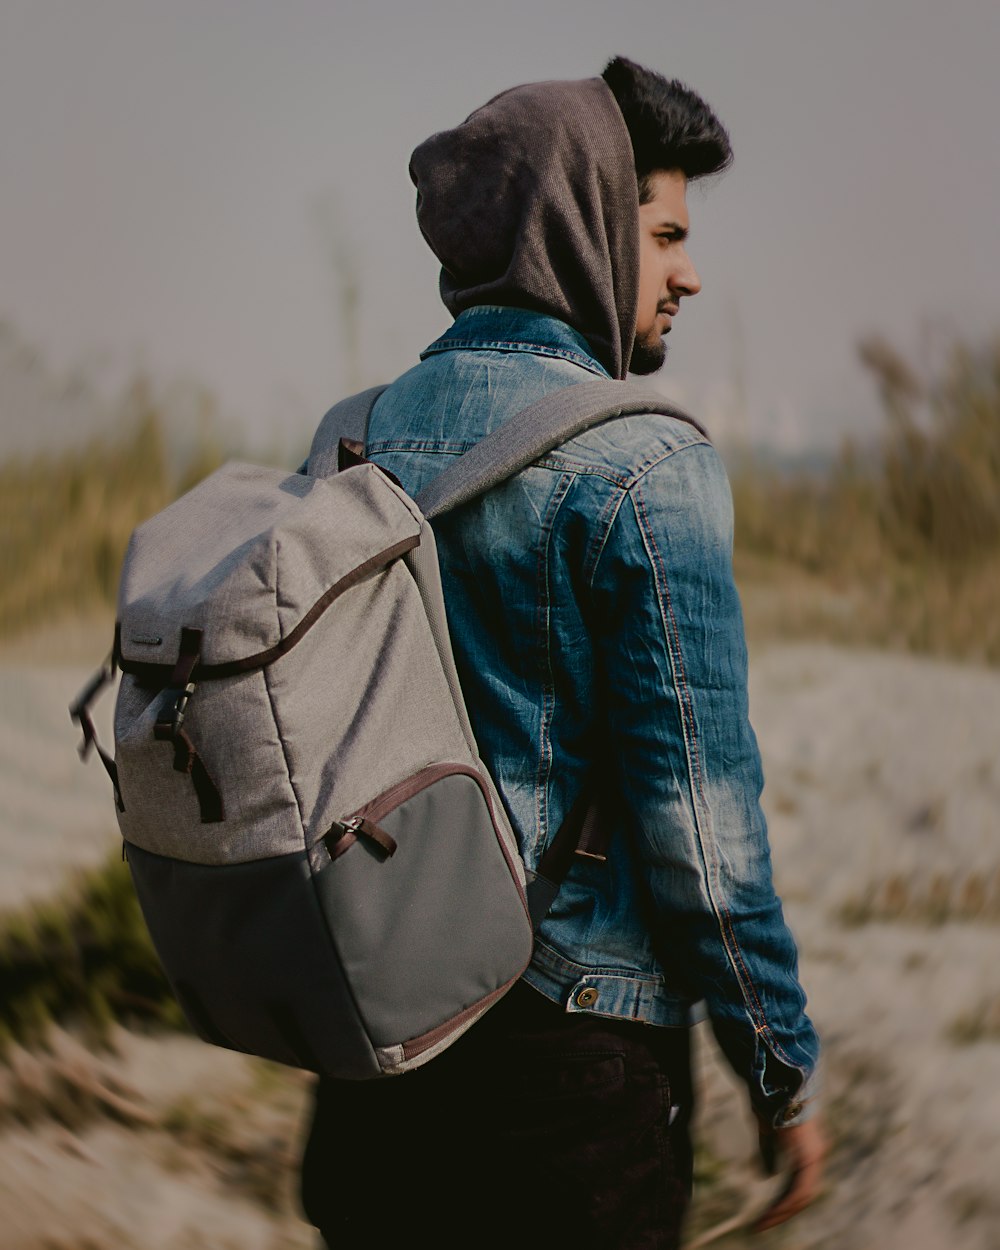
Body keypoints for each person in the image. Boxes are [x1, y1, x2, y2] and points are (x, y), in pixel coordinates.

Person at [300, 55, 826, 1250]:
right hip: (569, 1082)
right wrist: (780, 1065)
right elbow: (701, 832)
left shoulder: (345, 438)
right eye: (666, 232)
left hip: (373, 1052)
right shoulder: (644, 464)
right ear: (584, 221)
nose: (691, 271)